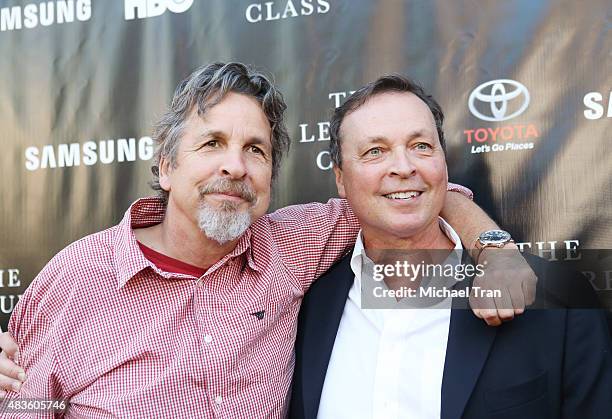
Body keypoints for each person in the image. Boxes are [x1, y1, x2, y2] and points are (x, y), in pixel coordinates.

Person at [0, 63, 535, 418]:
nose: (235, 166)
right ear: (166, 165)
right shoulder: (78, 275)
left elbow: (419, 192)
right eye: (212, 143)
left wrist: (494, 250)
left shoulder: (291, 245)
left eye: (255, 150)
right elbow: (22, 406)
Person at [289, 75, 612, 419]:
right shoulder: (305, 305)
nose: (403, 167)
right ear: (340, 177)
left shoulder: (556, 300)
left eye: (421, 146)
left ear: (443, 162)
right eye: (375, 151)